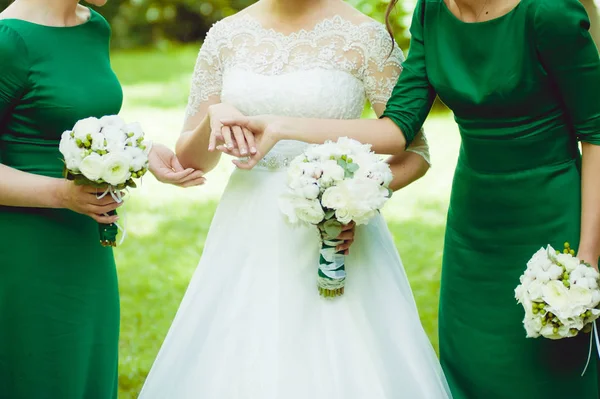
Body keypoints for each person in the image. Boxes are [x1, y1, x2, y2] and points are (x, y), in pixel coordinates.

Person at [218, 0, 600, 398]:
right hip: (475, 223)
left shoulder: (548, 12)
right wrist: (280, 126)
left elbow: (596, 133)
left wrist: (587, 259)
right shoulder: (432, 12)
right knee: (473, 365)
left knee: (554, 371)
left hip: (554, 214)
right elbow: (399, 128)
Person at [139, 0, 451, 397]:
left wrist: (353, 198)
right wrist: (213, 116)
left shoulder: (366, 36)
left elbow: (416, 152)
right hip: (247, 233)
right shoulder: (226, 36)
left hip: (337, 235)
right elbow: (191, 159)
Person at [0, 0, 203, 397]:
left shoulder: (94, 26)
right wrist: (61, 194)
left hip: (86, 246)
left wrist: (140, 153)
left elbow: (81, 123)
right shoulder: (9, 40)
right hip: (22, 250)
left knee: (84, 367)